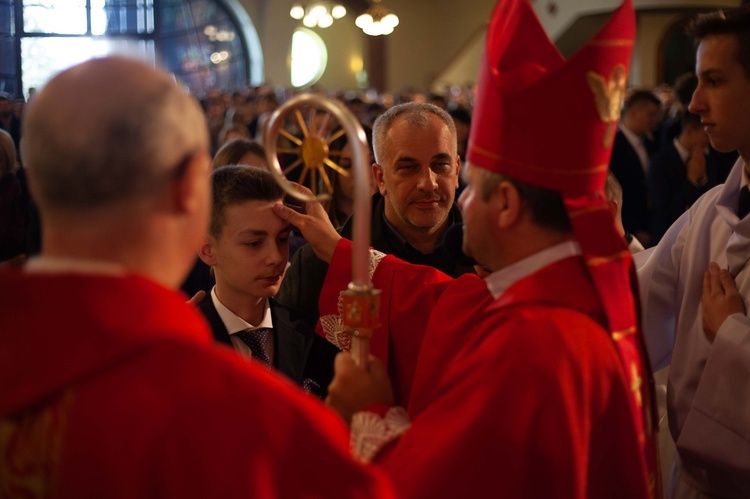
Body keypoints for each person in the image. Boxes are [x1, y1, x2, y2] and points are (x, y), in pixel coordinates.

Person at [275, 0, 659, 496]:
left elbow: (435, 483)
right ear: (379, 177)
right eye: (407, 167)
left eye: (465, 179)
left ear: (506, 204)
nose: (445, 189)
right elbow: (442, 302)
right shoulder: (565, 297)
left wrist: (371, 413)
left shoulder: (532, 342)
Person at [0, 56, 393, 498]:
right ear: (191, 188)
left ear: (35, 182)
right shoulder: (249, 416)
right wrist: (360, 427)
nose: (274, 256)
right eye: (252, 241)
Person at [635, 5, 750, 497]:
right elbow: (639, 294)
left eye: (715, 81)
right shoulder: (710, 211)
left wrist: (730, 334)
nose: (695, 103)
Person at [276, 102, 474, 328]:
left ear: (457, 170)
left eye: (440, 165)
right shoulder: (317, 263)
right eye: (408, 168)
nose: (428, 183)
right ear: (380, 178)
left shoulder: (491, 257)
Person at [197, 164, 339, 397]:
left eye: (282, 239)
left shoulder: (314, 335)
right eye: (254, 243)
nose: (275, 257)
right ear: (208, 250)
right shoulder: (187, 341)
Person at [648, 111, 712, 245]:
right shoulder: (660, 162)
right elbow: (664, 209)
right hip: (667, 240)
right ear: (689, 131)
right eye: (706, 134)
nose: (710, 140)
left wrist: (703, 178)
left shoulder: (708, 159)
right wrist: (691, 180)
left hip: (699, 239)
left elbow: (712, 200)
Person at [609, 89, 662, 247]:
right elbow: (615, 191)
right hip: (629, 229)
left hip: (651, 226)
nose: (655, 120)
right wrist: (633, 229)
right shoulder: (613, 146)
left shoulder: (651, 143)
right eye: (650, 114)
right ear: (633, 112)